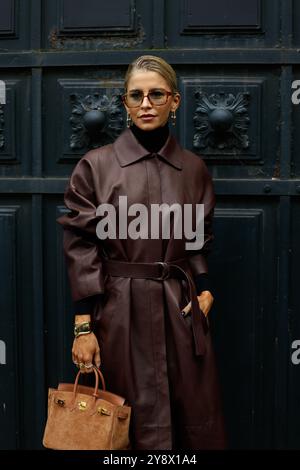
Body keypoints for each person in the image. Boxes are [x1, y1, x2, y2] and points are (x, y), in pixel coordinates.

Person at [57, 55, 226, 450]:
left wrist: (203, 290)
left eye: (156, 94)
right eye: (136, 95)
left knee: (190, 419)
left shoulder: (193, 168)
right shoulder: (96, 167)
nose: (146, 103)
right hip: (118, 313)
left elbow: (199, 236)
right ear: (126, 104)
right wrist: (83, 327)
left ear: (175, 101)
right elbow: (81, 246)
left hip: (180, 312)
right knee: (121, 423)